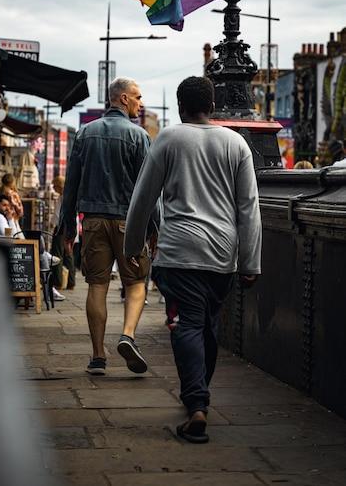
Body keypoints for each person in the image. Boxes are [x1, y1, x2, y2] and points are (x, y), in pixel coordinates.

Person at [124, 76, 262, 444]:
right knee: (208, 326)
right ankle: (198, 397)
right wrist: (251, 262)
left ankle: (197, 403)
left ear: (182, 108)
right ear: (212, 106)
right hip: (222, 253)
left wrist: (131, 246)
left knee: (185, 324)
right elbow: (248, 206)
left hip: (179, 252)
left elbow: (143, 198)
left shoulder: (169, 138)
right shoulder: (237, 144)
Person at [61, 77, 158, 376]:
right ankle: (127, 335)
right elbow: (148, 189)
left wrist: (67, 228)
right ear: (123, 99)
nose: (141, 104)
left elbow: (71, 186)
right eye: (138, 97)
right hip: (128, 223)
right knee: (137, 282)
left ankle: (97, 357)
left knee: (97, 286)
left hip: (92, 222)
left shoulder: (85, 134)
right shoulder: (139, 136)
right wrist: (154, 227)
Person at [50, 176, 76, 291]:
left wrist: (53, 224)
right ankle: (71, 282)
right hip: (68, 226)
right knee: (68, 254)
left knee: (58, 254)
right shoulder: (69, 195)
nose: (54, 189)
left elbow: (58, 214)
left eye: (54, 186)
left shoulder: (63, 197)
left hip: (61, 227)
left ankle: (58, 281)